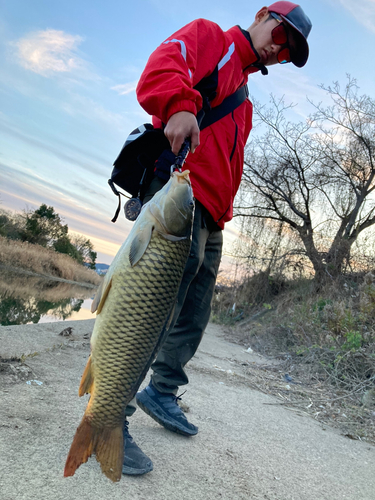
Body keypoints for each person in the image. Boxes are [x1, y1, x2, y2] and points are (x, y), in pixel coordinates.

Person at [122, 1, 312, 476]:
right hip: (177, 200)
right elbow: (161, 67)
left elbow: (229, 164)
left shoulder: (245, 99)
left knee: (196, 312)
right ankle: (111, 413)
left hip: (211, 217)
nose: (279, 51)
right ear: (264, 15)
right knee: (151, 312)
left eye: (289, 53)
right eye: (282, 36)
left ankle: (161, 392)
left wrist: (223, 215)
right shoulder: (212, 38)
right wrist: (181, 106)